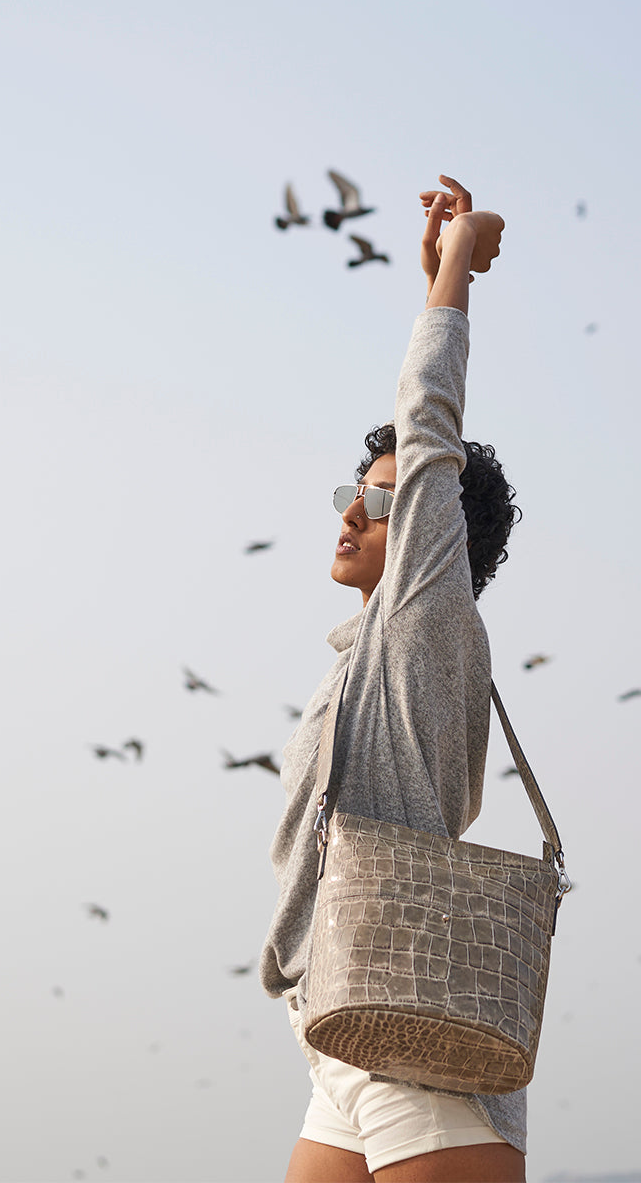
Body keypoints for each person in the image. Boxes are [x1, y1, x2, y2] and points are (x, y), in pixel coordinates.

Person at [259, 176, 527, 1183]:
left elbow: (428, 426)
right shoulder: (364, 655)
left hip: (413, 1016)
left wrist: (452, 275)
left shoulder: (428, 617)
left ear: (425, 533)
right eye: (348, 492)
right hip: (339, 1017)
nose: (349, 514)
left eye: (375, 503)